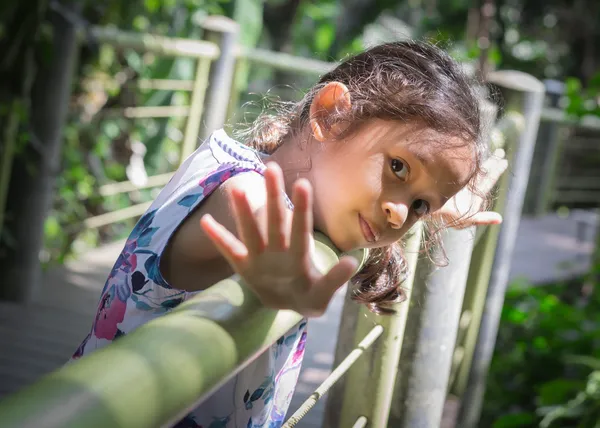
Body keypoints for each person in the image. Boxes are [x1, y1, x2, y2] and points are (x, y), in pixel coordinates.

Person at [71, 40, 507, 427]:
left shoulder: (260, 169)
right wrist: (289, 273)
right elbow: (255, 213)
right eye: (397, 167)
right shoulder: (240, 192)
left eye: (418, 205)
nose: (399, 216)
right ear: (331, 114)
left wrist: (433, 202)